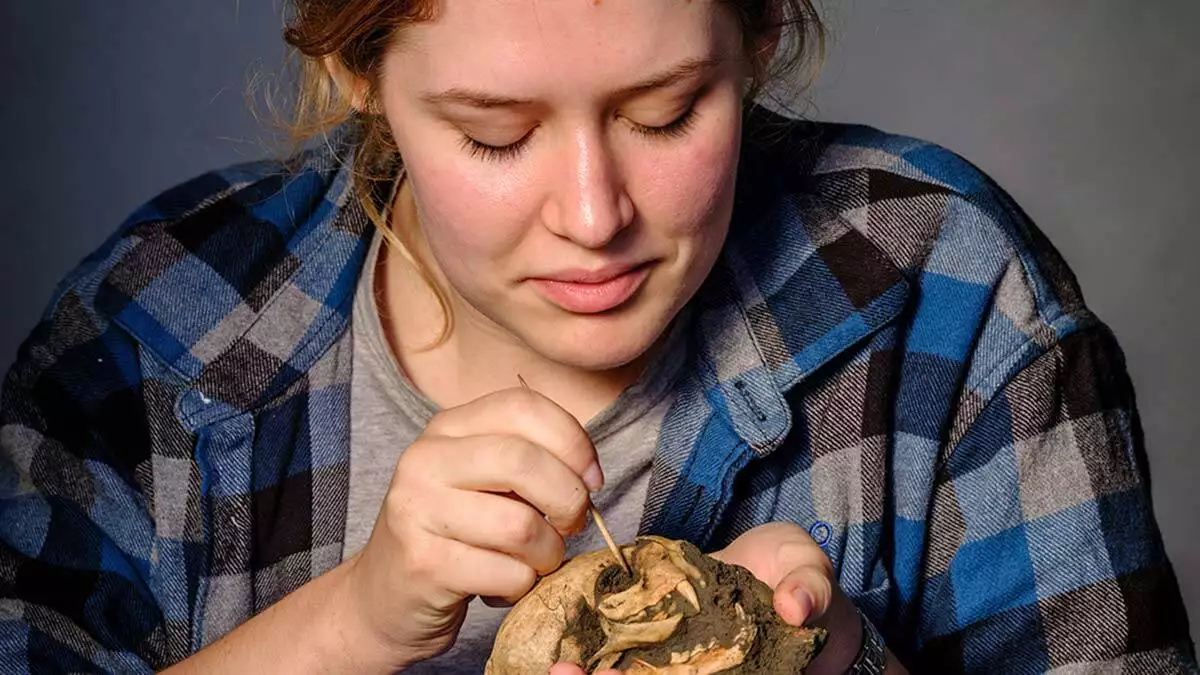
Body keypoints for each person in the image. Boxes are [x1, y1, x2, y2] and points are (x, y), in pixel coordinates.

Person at [0, 0, 1195, 673]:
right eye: (495, 135)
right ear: (355, 69)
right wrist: (351, 622)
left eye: (665, 113)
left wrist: (831, 666)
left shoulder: (948, 291)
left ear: (765, 35)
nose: (593, 217)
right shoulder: (157, 330)